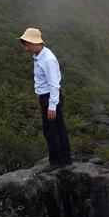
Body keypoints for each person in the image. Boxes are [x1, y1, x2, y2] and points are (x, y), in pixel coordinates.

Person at [20, 27, 72, 167]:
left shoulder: (47, 59)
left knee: (50, 130)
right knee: (58, 128)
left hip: (51, 97)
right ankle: (66, 159)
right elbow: (40, 82)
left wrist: (52, 106)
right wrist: (39, 99)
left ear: (37, 43)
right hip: (45, 97)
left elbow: (54, 85)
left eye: (28, 45)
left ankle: (56, 162)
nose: (27, 48)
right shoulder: (39, 56)